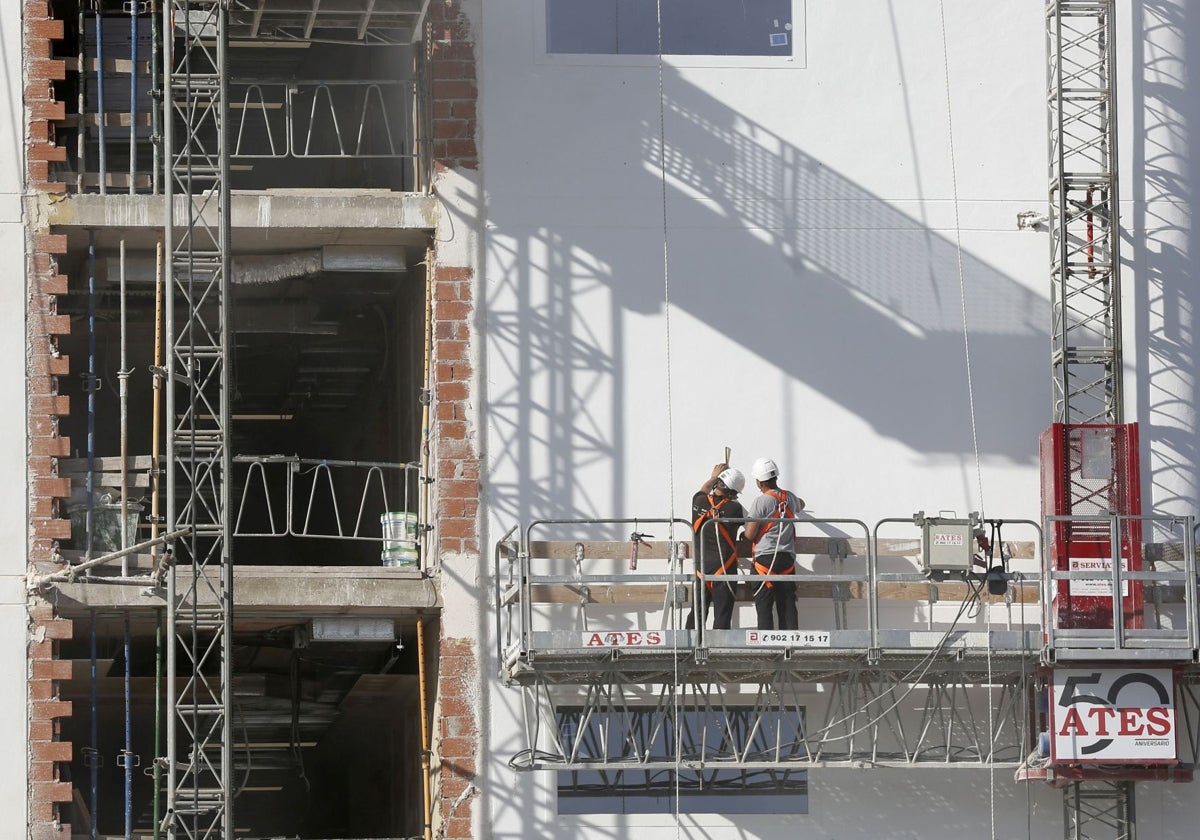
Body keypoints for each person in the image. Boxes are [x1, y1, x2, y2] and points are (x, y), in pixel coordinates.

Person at [742, 457, 805, 631]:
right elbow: (801, 504)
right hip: (786, 559)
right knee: (787, 605)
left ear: (759, 482)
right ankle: (791, 643)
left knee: (764, 606)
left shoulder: (761, 502)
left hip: (765, 560)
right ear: (775, 477)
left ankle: (766, 645)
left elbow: (749, 534)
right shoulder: (790, 498)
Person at [685, 463, 746, 632]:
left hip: (702, 569)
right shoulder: (735, 509)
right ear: (734, 493)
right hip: (724, 570)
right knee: (722, 614)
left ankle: (689, 647)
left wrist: (713, 476)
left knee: (696, 612)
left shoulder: (698, 501)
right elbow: (750, 529)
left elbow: (704, 489)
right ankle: (719, 649)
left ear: (719, 483)